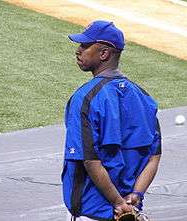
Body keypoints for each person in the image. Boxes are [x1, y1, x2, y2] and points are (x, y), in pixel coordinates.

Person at [61, 20, 161, 221]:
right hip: (130, 211)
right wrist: (135, 196)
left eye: (85, 45)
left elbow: (90, 160)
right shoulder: (144, 97)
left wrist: (117, 203)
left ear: (104, 53)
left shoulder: (85, 98)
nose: (78, 51)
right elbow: (153, 157)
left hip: (93, 211)